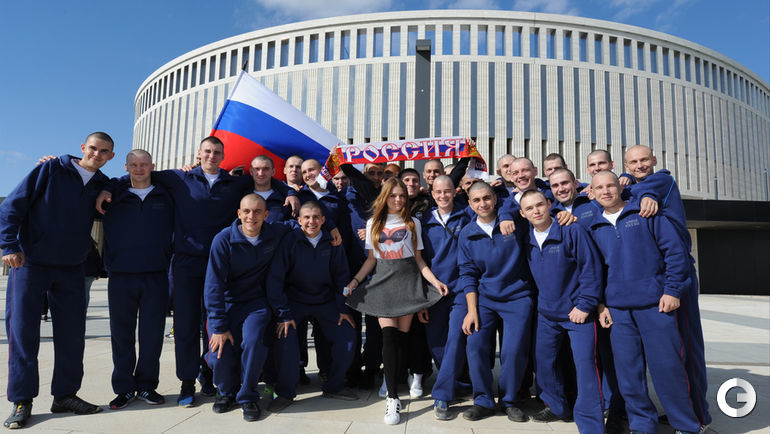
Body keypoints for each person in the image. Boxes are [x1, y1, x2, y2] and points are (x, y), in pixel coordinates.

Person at [97, 137, 298, 407]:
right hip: (186, 264)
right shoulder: (180, 179)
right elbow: (139, 173)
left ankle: (210, 376)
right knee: (186, 326)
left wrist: (290, 191)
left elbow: (264, 180)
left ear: (223, 156)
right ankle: (187, 382)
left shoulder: (234, 183)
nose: (212, 156)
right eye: (207, 151)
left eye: (217, 152)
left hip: (222, 264)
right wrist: (108, 188)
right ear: (199, 154)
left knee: (214, 323)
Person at [0, 132, 115, 429]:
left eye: (104, 151)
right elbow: (12, 205)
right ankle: (22, 400)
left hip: (71, 268)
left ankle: (65, 395)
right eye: (93, 148)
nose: (97, 154)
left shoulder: (102, 182)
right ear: (83, 148)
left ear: (111, 156)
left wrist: (107, 189)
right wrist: (8, 245)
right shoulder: (50, 169)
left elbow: (126, 184)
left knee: (72, 336)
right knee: (23, 333)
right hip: (30, 263)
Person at [589, 171, 704, 434]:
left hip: (656, 306)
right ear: (592, 193)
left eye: (610, 185)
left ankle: (686, 426)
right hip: (619, 311)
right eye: (599, 188)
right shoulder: (593, 227)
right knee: (629, 375)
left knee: (668, 370)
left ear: (620, 187)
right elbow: (594, 271)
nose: (606, 191)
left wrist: (672, 291)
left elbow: (676, 253)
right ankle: (642, 426)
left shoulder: (647, 214)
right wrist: (601, 305)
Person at [345, 178, 448, 425]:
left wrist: (435, 282)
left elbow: (419, 260)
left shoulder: (413, 223)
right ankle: (393, 398)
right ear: (385, 197)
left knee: (402, 340)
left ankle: (395, 379)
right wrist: (355, 281)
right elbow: (371, 259)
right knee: (388, 337)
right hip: (383, 283)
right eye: (393, 195)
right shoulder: (373, 222)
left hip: (408, 283)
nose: (398, 199)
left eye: (401, 195)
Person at [623, 145, 711, 428]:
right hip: (656, 276)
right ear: (626, 165)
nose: (640, 165)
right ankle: (680, 411)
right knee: (673, 352)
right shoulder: (633, 186)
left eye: (644, 160)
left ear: (654, 160)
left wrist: (640, 191)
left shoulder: (662, 179)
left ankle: (698, 416)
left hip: (678, 274)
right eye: (633, 162)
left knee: (687, 347)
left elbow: (647, 188)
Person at [518, 190, 604, 431]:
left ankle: (590, 425)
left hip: (578, 313)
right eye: (529, 208)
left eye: (539, 205)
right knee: (544, 363)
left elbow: (591, 268)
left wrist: (585, 305)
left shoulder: (572, 230)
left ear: (549, 204)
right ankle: (557, 407)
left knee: (586, 367)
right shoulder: (527, 238)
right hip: (547, 314)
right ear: (522, 214)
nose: (536, 211)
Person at [203, 194, 292, 422]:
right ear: (239, 214)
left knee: (253, 342)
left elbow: (303, 222)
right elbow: (213, 285)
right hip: (227, 303)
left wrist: (330, 228)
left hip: (256, 304)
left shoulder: (274, 233)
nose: (251, 216)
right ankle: (226, 391)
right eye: (246, 211)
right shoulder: (223, 240)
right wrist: (219, 326)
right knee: (220, 350)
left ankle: (248, 396)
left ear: (266, 215)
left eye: (257, 211)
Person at [267, 202, 358, 409]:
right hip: (294, 301)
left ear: (323, 220)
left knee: (347, 334)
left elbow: (342, 277)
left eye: (316, 217)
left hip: (326, 301)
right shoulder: (289, 241)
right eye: (306, 217)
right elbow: (275, 279)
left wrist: (343, 308)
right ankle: (285, 392)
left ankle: (335, 386)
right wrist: (283, 314)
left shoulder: (333, 242)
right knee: (286, 337)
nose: (311, 221)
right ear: (299, 220)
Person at [102, 149, 173, 409]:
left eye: (144, 164)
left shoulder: (167, 194)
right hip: (121, 275)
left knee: (152, 335)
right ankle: (124, 389)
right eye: (134, 165)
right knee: (121, 335)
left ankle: (146, 386)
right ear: (126, 167)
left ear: (152, 166)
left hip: (156, 274)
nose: (139, 169)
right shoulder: (113, 195)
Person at [458, 181, 534, 423]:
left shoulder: (515, 223)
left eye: (487, 198)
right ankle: (483, 400)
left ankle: (509, 400)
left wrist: (507, 214)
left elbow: (523, 203)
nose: (483, 203)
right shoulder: (467, 234)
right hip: (486, 299)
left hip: (517, 297)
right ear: (470, 204)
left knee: (513, 351)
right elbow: (468, 273)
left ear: (494, 199)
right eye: (476, 200)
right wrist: (471, 310)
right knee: (475, 345)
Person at [420, 176, 473, 420]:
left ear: (455, 192)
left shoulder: (467, 215)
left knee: (454, 338)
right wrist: (422, 298)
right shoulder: (423, 222)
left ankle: (442, 395)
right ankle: (457, 381)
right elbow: (419, 262)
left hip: (461, 289)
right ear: (432, 194)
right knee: (436, 343)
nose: (443, 196)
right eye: (438, 192)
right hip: (434, 291)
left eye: (447, 191)